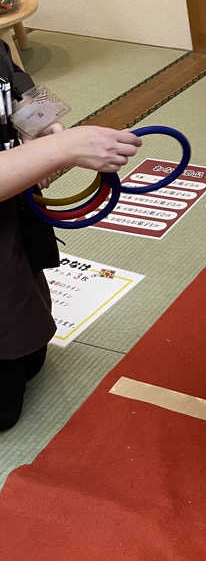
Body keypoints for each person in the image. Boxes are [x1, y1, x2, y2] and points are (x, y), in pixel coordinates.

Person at [0, 37, 142, 430]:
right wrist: (62, 148)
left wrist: (41, 128)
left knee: (25, 330)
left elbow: (16, 86)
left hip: (12, 219)